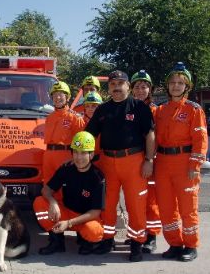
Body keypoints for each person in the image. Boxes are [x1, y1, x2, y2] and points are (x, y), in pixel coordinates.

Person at [85, 70, 155, 262]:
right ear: (109, 88)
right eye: (113, 84)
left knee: (136, 205)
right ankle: (108, 239)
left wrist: (149, 160)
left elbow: (150, 135)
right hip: (108, 162)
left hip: (134, 161)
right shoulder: (102, 109)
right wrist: (84, 155)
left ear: (127, 86)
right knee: (107, 204)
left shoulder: (139, 107)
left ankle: (137, 243)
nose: (116, 87)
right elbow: (89, 134)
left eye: (120, 83)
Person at [154, 62, 208, 262]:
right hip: (163, 163)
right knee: (167, 207)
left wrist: (195, 165)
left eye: (180, 83)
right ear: (167, 86)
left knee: (187, 207)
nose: (176, 86)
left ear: (187, 87)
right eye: (172, 82)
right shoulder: (160, 110)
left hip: (185, 163)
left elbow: (201, 139)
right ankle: (175, 244)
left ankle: (191, 245)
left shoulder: (194, 110)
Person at [34, 131, 105, 255]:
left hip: (85, 218)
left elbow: (95, 212)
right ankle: (56, 241)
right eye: (76, 152)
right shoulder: (66, 168)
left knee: (93, 231)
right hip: (66, 213)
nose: (79, 157)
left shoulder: (97, 177)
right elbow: (46, 190)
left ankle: (86, 241)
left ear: (91, 155)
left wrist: (69, 223)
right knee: (39, 202)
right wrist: (52, 202)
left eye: (83, 153)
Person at [130, 70, 161, 253]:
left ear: (150, 89)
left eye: (144, 87)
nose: (141, 90)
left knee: (150, 201)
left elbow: (158, 137)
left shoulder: (156, 111)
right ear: (132, 90)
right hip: (133, 160)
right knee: (135, 201)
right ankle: (137, 234)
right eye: (137, 87)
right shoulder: (129, 108)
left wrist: (150, 159)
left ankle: (151, 236)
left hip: (150, 160)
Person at [43, 81, 85, 184]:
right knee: (47, 184)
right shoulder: (49, 118)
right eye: (55, 95)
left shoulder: (75, 118)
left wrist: (76, 159)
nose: (57, 98)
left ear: (67, 97)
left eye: (61, 95)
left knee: (64, 186)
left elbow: (81, 142)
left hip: (65, 155)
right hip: (48, 156)